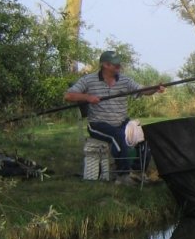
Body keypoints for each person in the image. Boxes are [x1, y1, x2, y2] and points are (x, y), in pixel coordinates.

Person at [64, 51, 166, 185]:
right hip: (97, 124)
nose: (119, 66)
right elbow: (68, 96)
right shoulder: (88, 80)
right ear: (105, 65)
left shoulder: (125, 80)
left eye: (119, 64)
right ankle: (123, 175)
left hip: (122, 123)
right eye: (116, 65)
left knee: (145, 136)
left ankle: (137, 172)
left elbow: (142, 90)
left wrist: (155, 89)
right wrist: (87, 97)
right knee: (117, 136)